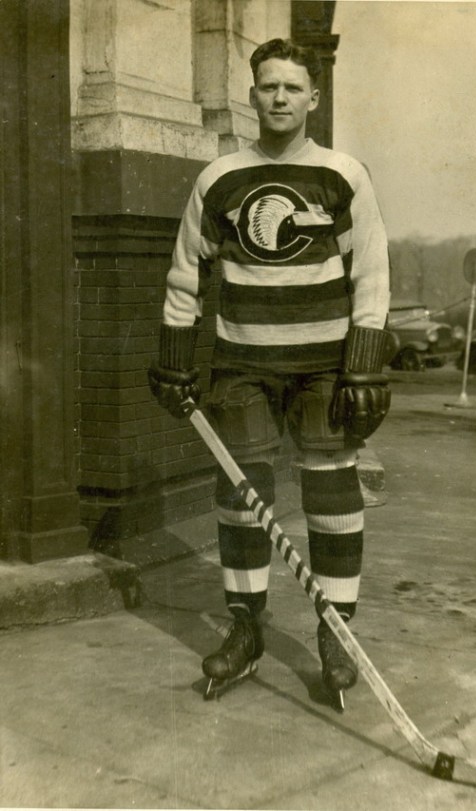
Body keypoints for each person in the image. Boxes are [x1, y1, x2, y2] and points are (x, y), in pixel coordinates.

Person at [148, 38, 391, 708]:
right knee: (241, 496)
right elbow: (185, 273)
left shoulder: (342, 174)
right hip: (242, 362)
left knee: (331, 495)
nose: (280, 98)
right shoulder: (219, 178)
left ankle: (335, 629)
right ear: (252, 94)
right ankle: (246, 626)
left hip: (323, 367)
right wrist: (174, 357)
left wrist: (363, 365)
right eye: (268, 86)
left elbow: (371, 273)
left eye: (292, 87)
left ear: (313, 96)